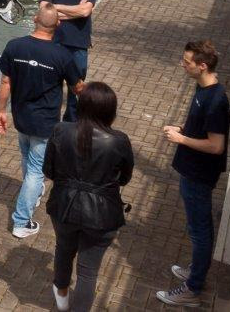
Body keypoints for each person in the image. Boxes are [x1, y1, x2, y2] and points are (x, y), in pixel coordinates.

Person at [0, 3, 84, 239]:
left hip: (21, 117)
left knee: (27, 159)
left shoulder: (14, 46)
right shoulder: (62, 55)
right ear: (58, 24)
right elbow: (78, 88)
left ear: (35, 19)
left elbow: (6, 82)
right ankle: (21, 221)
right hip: (45, 123)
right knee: (36, 170)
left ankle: (31, 194)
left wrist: (1, 110)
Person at [44, 82, 134, 312]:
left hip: (63, 206)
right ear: (110, 111)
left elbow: (48, 170)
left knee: (63, 249)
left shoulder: (60, 130)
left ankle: (62, 299)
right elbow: (124, 178)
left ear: (81, 106)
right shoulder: (119, 140)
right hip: (103, 215)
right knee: (88, 271)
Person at [156, 40, 230, 306]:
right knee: (197, 226)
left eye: (186, 62)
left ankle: (193, 287)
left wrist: (181, 139)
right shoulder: (202, 89)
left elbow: (216, 145)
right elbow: (199, 129)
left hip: (199, 173)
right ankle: (196, 271)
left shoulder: (214, 101)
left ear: (202, 66)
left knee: (200, 230)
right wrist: (181, 128)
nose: (182, 65)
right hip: (191, 168)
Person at [39, 0, 98, 121]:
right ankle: (51, 122)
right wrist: (75, 11)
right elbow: (43, 11)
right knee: (51, 87)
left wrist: (56, 9)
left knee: (76, 89)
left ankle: (71, 125)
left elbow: (86, 11)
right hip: (54, 43)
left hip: (78, 45)